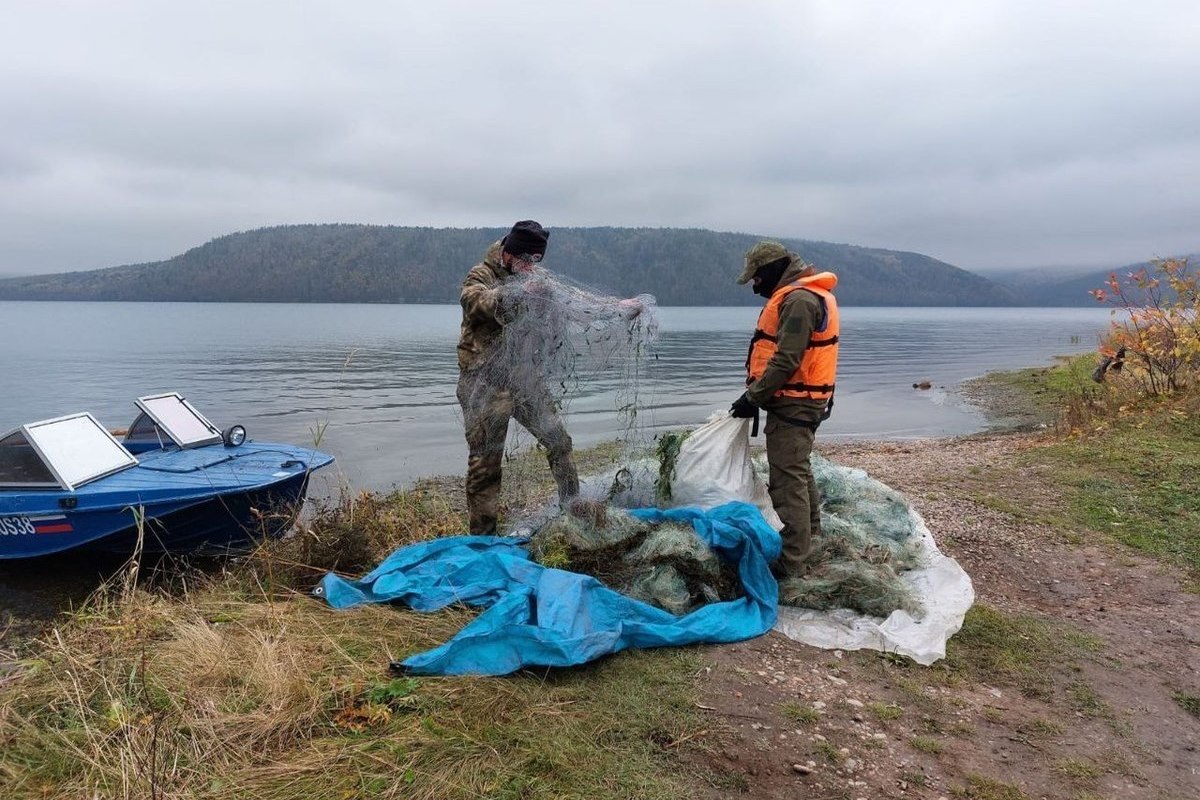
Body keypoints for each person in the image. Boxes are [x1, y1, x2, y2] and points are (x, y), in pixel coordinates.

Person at [455, 220, 579, 535]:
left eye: (537, 261)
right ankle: (482, 541)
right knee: (486, 466)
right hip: (484, 384)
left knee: (559, 442)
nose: (531, 266)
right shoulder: (480, 274)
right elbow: (473, 302)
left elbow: (573, 300)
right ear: (509, 253)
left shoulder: (533, 276)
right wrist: (516, 293)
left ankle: (574, 513)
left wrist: (620, 308)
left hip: (524, 380)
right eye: (527, 259)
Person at [730, 240, 840, 578]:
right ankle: (811, 537)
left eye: (756, 280)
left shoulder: (800, 300)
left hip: (796, 404)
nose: (755, 288)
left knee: (786, 479)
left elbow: (787, 359)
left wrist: (753, 398)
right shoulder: (802, 295)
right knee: (799, 470)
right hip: (801, 402)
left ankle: (791, 563)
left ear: (772, 269)